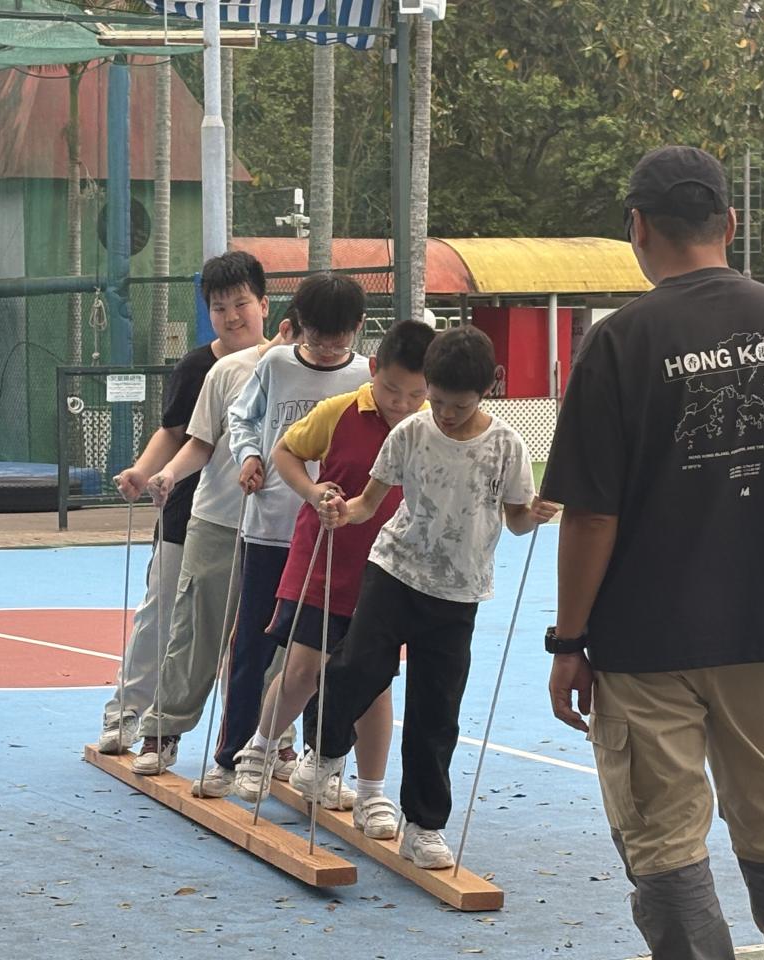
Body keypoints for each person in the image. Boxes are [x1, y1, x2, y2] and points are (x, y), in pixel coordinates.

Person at [541, 145, 764, 960]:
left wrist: (569, 640)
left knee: (665, 840)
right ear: (731, 222)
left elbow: (591, 517)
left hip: (647, 643)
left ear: (638, 227)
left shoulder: (620, 341)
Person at [292, 325, 558, 868]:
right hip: (394, 572)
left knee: (437, 712)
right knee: (358, 667)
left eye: (459, 405)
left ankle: (424, 826)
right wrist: (342, 512)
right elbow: (369, 503)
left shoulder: (506, 446)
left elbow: (514, 521)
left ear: (489, 389)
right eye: (436, 401)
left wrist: (533, 515)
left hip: (458, 593)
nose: (445, 414)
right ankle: (323, 751)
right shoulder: (411, 433)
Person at [230, 320, 436, 843]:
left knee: (375, 683)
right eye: (392, 389)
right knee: (303, 669)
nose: (401, 403)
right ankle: (260, 747)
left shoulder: (430, 426)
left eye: (415, 394)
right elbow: (285, 451)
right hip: (323, 559)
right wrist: (311, 490)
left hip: (388, 571)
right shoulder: (340, 410)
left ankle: (372, 793)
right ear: (373, 370)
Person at [197, 273, 373, 799]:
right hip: (270, 529)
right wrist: (249, 457)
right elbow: (242, 418)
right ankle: (232, 757)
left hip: (333, 540)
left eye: (339, 339)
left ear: (359, 328)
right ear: (296, 326)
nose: (328, 349)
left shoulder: (367, 378)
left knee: (330, 658)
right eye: (317, 338)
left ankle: (321, 765)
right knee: (251, 647)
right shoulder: (274, 364)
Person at [97, 251, 267, 755]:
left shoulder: (284, 365)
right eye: (219, 308)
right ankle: (128, 711)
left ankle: (256, 736)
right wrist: (143, 472)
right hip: (188, 513)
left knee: (254, 634)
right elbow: (174, 433)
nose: (232, 316)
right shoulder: (198, 367)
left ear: (264, 304)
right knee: (163, 616)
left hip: (262, 522)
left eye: (241, 304)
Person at [128, 310, 301, 776]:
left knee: (276, 643)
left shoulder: (331, 376)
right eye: (308, 341)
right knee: (194, 632)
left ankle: (275, 741)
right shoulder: (228, 371)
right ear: (286, 329)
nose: (318, 353)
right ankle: (162, 731)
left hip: (283, 528)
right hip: (219, 520)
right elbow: (199, 441)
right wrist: (166, 474)